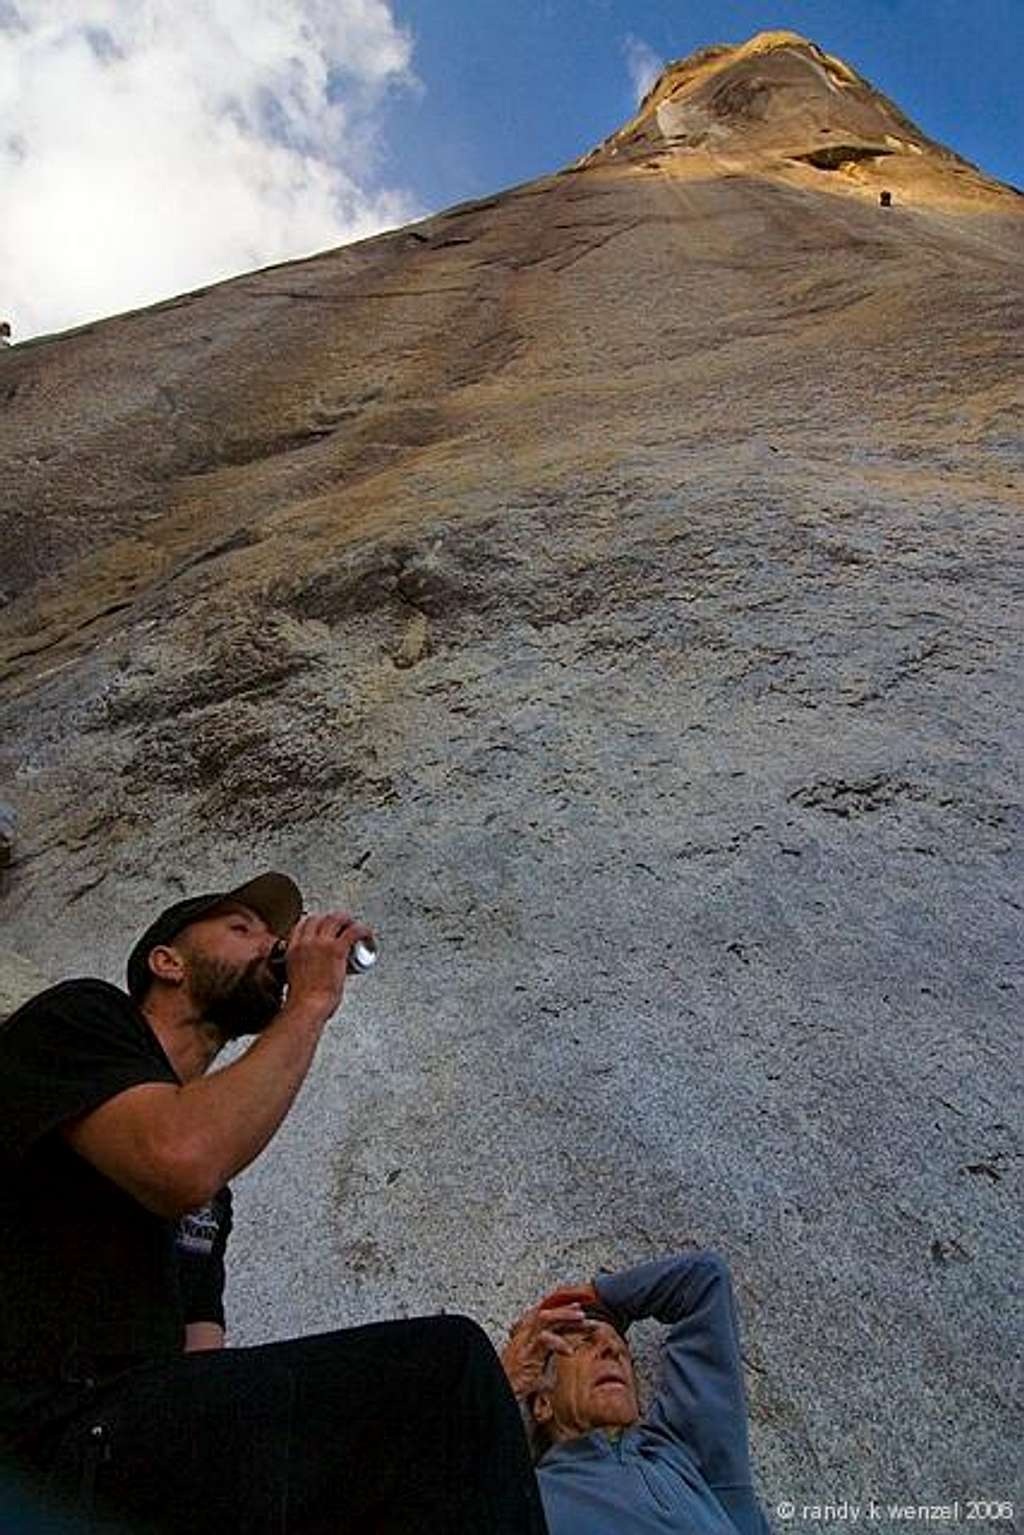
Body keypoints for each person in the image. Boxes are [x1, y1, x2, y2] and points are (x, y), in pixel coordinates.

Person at [0, 871, 547, 1534]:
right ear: (166, 961)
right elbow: (176, 1157)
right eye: (241, 927)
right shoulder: (81, 1019)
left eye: (274, 935)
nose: (272, 943)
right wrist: (310, 1001)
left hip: (136, 1437)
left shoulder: (212, 1199)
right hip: (41, 1426)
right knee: (445, 1374)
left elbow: (200, 1364)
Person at [502, 1250, 771, 1535]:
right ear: (543, 1402)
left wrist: (595, 1293)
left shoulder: (688, 1457)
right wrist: (503, 1386)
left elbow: (705, 1281)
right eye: (585, 1341)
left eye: (622, 1349)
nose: (613, 1350)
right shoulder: (524, 1498)